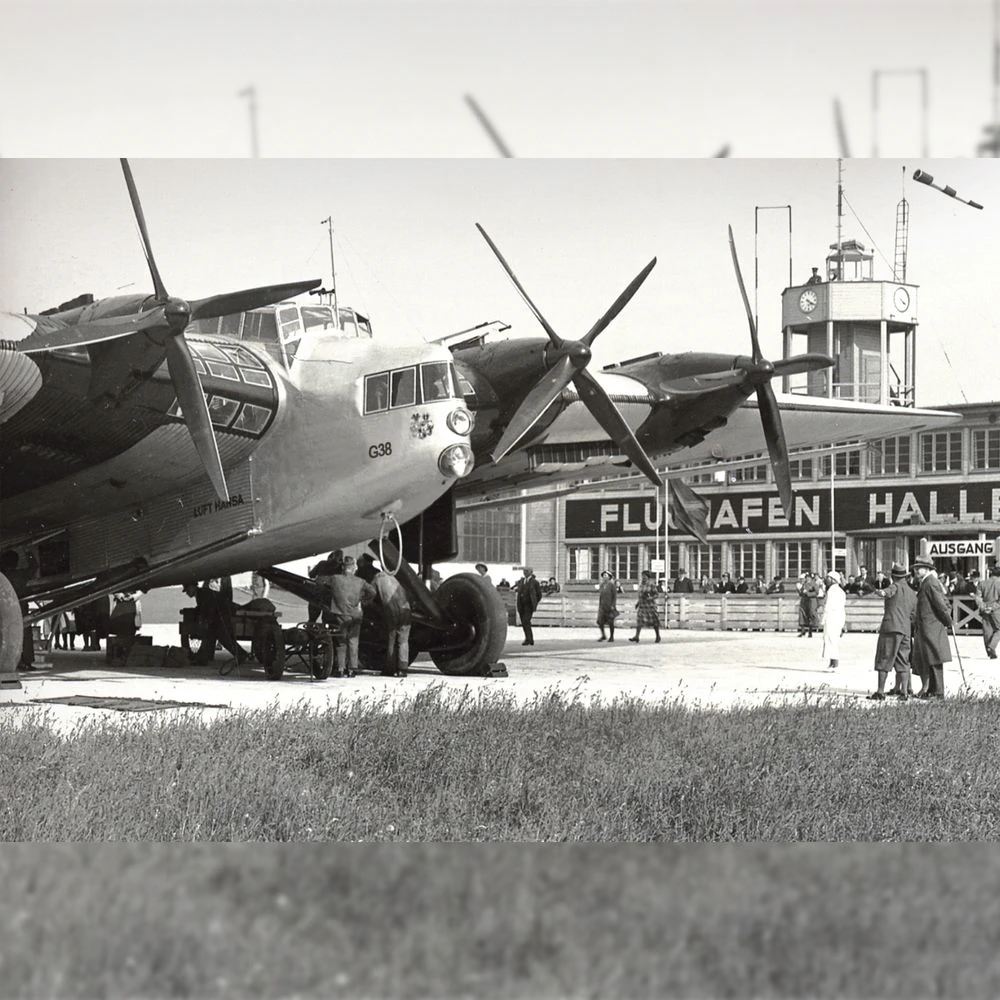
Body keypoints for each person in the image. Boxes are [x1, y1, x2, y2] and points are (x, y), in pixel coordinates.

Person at [868, 563, 918, 701]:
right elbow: (914, 613)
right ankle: (904, 692)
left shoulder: (894, 586)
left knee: (884, 658)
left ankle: (880, 691)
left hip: (890, 627)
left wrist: (879, 591)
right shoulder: (912, 593)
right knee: (904, 660)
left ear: (893, 576)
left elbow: (887, 592)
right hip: (905, 629)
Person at [911, 556, 953, 698]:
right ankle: (932, 690)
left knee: (935, 659)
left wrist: (948, 621)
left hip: (932, 627)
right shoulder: (926, 582)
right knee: (929, 658)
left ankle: (938, 692)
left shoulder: (930, 583)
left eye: (919, 568)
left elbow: (940, 604)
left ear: (927, 569)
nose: (916, 570)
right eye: (915, 568)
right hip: (927, 628)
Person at [327, 556, 376, 677]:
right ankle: (352, 669)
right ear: (354, 568)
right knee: (354, 641)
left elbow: (319, 582)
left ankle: (340, 669)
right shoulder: (361, 581)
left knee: (341, 642)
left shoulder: (335, 579)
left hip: (341, 614)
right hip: (356, 614)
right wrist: (364, 600)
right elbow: (373, 591)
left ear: (343, 567)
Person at [190, 578, 247, 668]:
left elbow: (210, 607)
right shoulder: (201, 593)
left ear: (193, 587)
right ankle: (203, 658)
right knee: (213, 636)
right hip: (220, 614)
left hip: (223, 614)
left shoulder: (203, 594)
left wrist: (207, 621)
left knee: (223, 637)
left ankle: (241, 654)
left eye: (188, 589)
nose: (187, 593)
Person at [372, 567, 412, 677]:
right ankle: (403, 669)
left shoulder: (378, 577)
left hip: (391, 609)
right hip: (405, 608)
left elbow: (371, 593)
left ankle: (390, 668)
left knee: (392, 638)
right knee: (403, 640)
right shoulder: (399, 577)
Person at [308, 550, 343, 624]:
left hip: (317, 593)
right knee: (329, 620)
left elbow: (311, 575)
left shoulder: (322, 563)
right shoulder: (341, 567)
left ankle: (310, 631)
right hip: (330, 596)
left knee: (312, 618)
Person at [974, 563, 1000, 660]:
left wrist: (983, 606)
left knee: (987, 631)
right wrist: (992, 607)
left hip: (984, 610)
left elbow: (978, 597)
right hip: (997, 610)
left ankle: (989, 651)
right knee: (999, 629)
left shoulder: (982, 583)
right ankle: (992, 647)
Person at [821, 570, 846, 670]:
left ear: (833, 580)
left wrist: (823, 619)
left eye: (828, 578)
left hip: (833, 617)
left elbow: (829, 606)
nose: (826, 580)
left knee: (832, 639)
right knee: (829, 639)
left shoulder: (834, 591)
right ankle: (831, 662)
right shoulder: (834, 590)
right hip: (835, 617)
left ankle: (835, 664)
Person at [629, 569, 661, 643]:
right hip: (642, 606)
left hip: (650, 606)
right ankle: (636, 636)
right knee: (639, 621)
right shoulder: (641, 585)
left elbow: (656, 595)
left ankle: (658, 636)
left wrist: (650, 598)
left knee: (654, 622)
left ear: (648, 577)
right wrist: (637, 603)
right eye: (642, 576)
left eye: (645, 576)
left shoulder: (651, 584)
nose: (643, 578)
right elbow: (640, 595)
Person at [514, 566, 542, 646]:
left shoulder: (535, 582)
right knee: (524, 622)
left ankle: (529, 639)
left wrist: (534, 602)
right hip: (521, 605)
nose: (525, 572)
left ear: (531, 572)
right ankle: (528, 638)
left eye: (526, 571)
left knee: (526, 621)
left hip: (529, 606)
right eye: (524, 571)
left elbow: (539, 595)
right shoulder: (521, 581)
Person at [596, 570, 619, 642]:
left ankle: (611, 637)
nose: (604, 577)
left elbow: (614, 596)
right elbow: (601, 596)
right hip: (602, 606)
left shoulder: (612, 585)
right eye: (603, 575)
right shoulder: (602, 585)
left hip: (610, 606)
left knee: (610, 622)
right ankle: (603, 635)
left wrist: (613, 605)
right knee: (600, 621)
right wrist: (600, 605)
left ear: (609, 577)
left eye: (606, 575)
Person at [797, 572, 820, 637]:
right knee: (802, 615)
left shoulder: (814, 584)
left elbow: (816, 592)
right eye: (806, 577)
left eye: (808, 577)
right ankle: (802, 631)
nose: (807, 579)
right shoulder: (804, 584)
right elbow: (801, 593)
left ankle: (810, 632)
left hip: (811, 601)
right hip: (804, 601)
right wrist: (799, 591)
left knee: (811, 614)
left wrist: (808, 593)